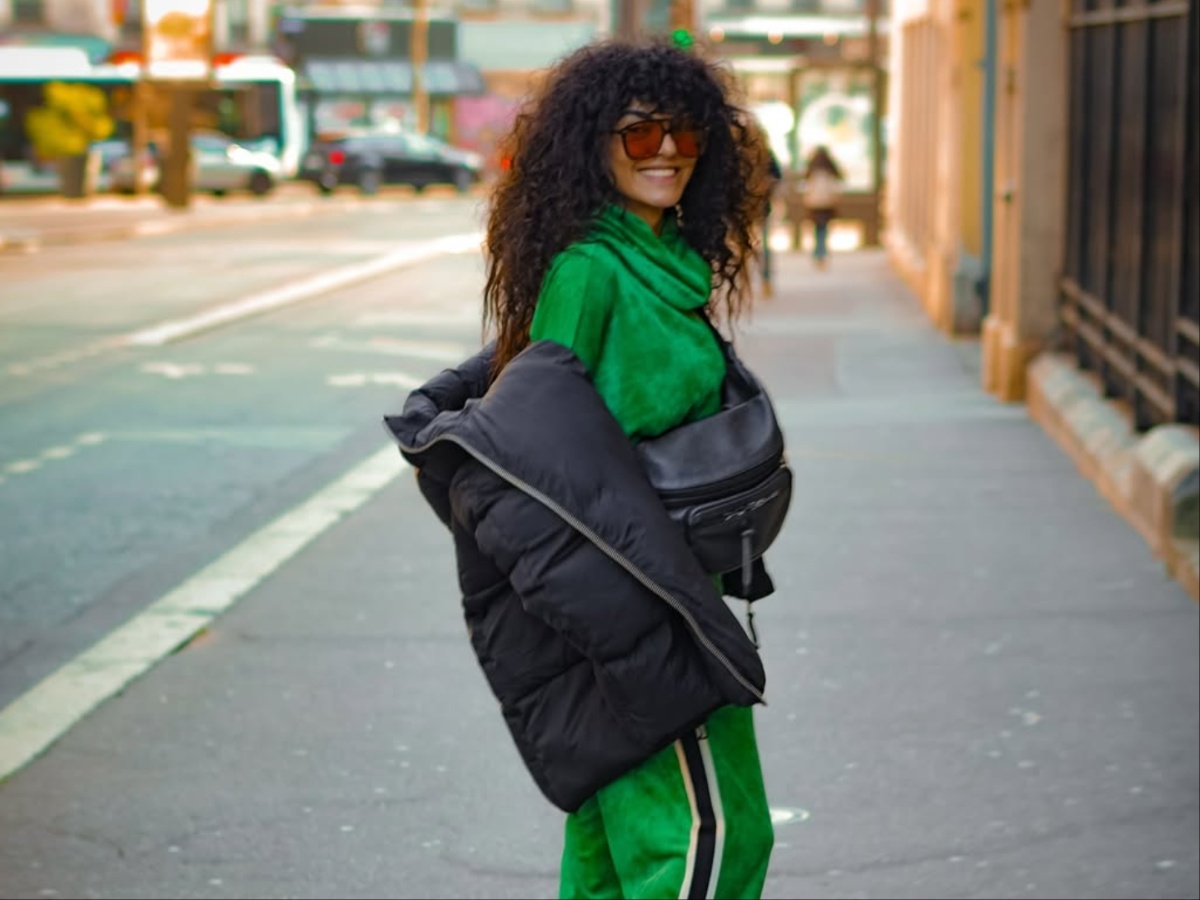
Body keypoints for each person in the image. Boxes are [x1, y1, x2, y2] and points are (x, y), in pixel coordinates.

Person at [385, 39, 776, 899]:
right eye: (640, 134)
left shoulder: (666, 261)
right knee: (709, 836)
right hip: (636, 596)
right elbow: (529, 451)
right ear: (593, 146)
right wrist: (610, 604)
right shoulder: (591, 271)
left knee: (609, 848)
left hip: (667, 577)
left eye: (685, 132)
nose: (667, 150)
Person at [802, 144, 844, 269]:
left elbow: (806, 188)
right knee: (824, 229)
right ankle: (822, 252)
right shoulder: (830, 171)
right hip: (826, 203)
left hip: (814, 204)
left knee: (817, 229)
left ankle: (817, 252)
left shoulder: (811, 170)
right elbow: (837, 184)